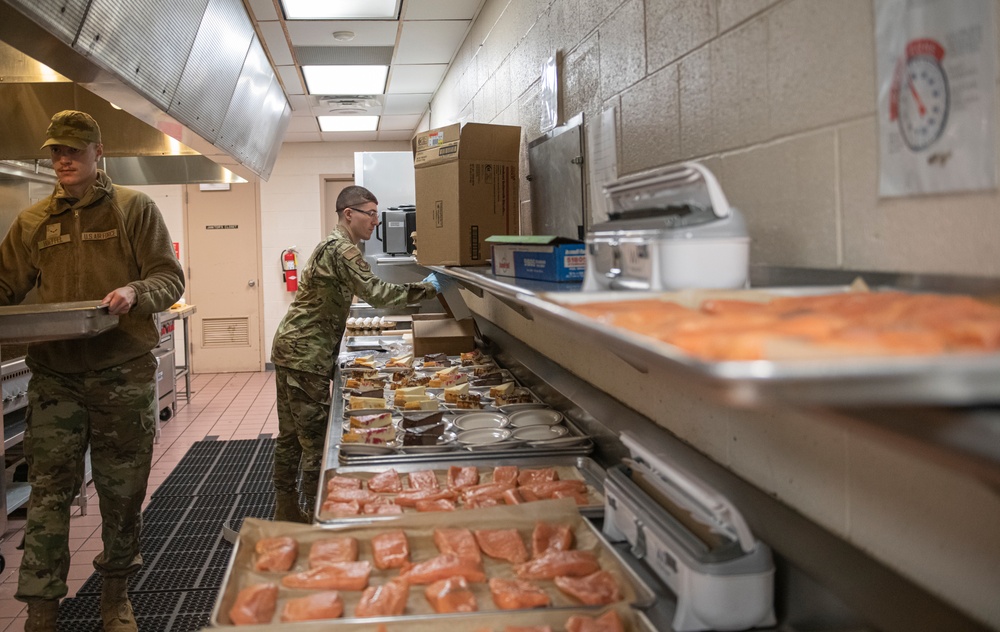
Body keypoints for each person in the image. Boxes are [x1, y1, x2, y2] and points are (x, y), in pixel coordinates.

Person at [0, 110, 185, 632]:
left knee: (122, 492)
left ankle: (115, 598)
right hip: (55, 377)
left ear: (97, 153)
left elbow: (169, 278)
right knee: (49, 494)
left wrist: (135, 292)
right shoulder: (34, 221)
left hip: (120, 373)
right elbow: (5, 286)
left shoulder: (134, 209)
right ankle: (41, 610)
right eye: (56, 151)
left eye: (74, 151)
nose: (63, 160)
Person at [270, 185, 447, 522]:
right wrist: (429, 286)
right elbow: (378, 293)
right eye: (371, 214)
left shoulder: (334, 246)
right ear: (348, 214)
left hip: (293, 347)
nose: (376, 222)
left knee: (291, 436)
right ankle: (317, 516)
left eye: (378, 215)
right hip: (306, 354)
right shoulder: (341, 249)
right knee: (314, 442)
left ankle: (287, 509)